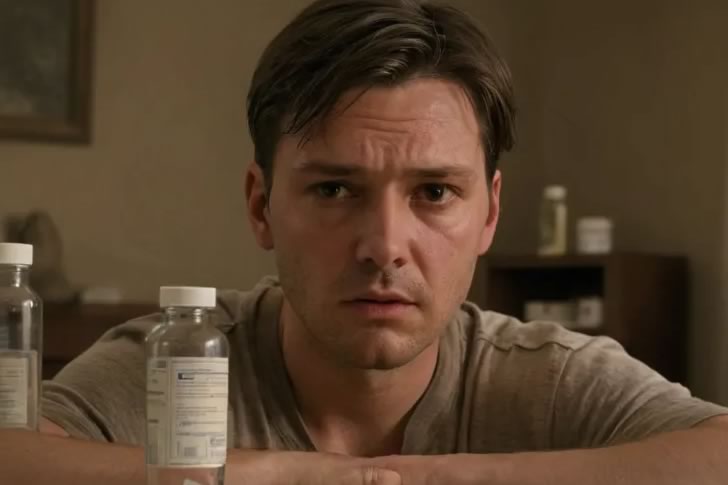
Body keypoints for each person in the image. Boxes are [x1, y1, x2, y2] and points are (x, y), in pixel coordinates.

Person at [3, 0, 727, 484]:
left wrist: (452, 476)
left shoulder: (548, 379)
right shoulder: (184, 359)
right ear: (260, 205)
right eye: (333, 190)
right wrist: (271, 475)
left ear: (490, 215)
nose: (384, 245)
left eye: (434, 192)